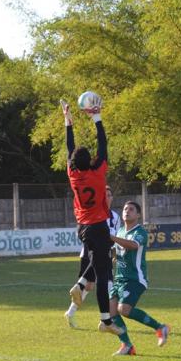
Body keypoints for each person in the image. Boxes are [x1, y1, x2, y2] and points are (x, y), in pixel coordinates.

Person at [61, 97, 123, 335]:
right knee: (104, 273)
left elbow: (69, 148)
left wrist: (68, 121)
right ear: (91, 161)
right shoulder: (97, 173)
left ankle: (81, 287)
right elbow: (104, 145)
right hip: (98, 227)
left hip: (83, 227)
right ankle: (106, 321)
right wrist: (97, 117)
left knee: (98, 270)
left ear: (74, 163)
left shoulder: (73, 174)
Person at [108, 201, 170, 356]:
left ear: (138, 215)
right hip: (119, 279)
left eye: (131, 209)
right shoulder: (121, 231)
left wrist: (111, 237)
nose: (127, 211)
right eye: (124, 209)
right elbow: (118, 254)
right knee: (111, 312)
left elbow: (133, 245)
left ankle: (160, 327)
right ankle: (127, 345)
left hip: (135, 279)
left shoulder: (140, 232)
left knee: (124, 310)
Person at [65, 185, 121, 328]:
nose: (107, 197)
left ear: (112, 198)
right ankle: (104, 319)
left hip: (106, 254)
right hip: (89, 254)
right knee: (89, 286)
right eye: (105, 195)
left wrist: (114, 252)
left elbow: (116, 237)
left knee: (107, 284)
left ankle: (106, 317)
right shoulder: (95, 214)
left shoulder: (115, 217)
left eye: (109, 195)